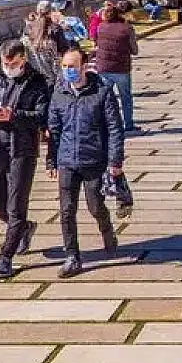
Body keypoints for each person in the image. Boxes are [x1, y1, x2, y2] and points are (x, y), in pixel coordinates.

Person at [0, 40, 51, 280]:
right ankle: (23, 228)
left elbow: (42, 116)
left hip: (22, 150)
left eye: (13, 64)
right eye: (6, 64)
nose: (9, 68)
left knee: (16, 205)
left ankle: (5, 257)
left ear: (23, 59)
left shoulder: (37, 83)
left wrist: (14, 115)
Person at [47, 47, 124, 279]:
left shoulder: (102, 91)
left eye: (72, 66)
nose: (67, 70)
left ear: (84, 67)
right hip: (67, 161)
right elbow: (54, 129)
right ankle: (72, 256)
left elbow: (114, 128)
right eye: (64, 66)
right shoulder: (59, 93)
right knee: (66, 210)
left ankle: (106, 228)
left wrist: (115, 160)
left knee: (95, 206)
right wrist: (51, 161)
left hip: (93, 160)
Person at [93, 3, 141, 133]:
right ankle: (128, 124)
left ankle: (105, 124)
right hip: (121, 68)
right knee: (126, 97)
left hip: (103, 68)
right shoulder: (127, 28)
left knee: (104, 98)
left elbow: (96, 43)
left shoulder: (100, 27)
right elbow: (134, 50)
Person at [24, 0, 68, 82]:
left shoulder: (29, 30)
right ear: (50, 12)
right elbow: (65, 50)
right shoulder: (55, 30)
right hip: (57, 73)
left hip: (40, 75)